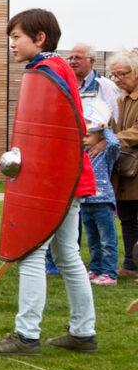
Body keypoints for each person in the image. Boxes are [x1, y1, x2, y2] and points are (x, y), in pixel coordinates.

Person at [0, 9, 97, 356]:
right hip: (67, 180)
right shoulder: (54, 71)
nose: (12, 45)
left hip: (56, 181)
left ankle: (26, 335)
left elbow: (56, 136)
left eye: (17, 37)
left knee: (32, 253)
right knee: (68, 255)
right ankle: (83, 332)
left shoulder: (48, 72)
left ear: (40, 38)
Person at [81, 101, 119, 285]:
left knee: (107, 241)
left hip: (103, 203)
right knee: (93, 241)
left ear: (98, 137)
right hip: (86, 203)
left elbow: (114, 144)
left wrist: (105, 130)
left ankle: (110, 274)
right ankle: (96, 270)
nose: (84, 139)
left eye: (88, 136)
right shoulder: (82, 154)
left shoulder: (105, 154)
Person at [108, 49, 138, 279]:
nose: (117, 79)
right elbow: (113, 127)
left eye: (122, 74)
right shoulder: (119, 99)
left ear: (135, 72)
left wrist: (110, 139)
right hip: (124, 170)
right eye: (114, 75)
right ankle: (130, 264)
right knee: (126, 218)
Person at [69, 43, 119, 122]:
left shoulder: (106, 86)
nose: (72, 61)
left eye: (77, 58)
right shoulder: (63, 84)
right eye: (70, 58)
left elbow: (116, 118)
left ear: (91, 61)